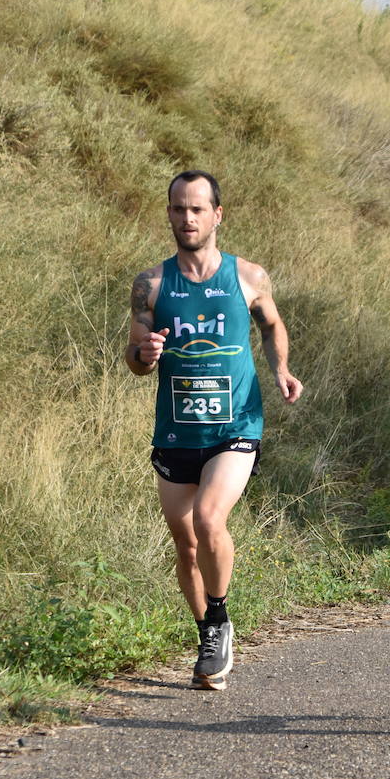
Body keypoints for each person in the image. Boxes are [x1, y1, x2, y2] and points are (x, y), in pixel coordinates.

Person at [126, 170, 302, 690]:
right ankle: (209, 636)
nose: (187, 218)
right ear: (170, 214)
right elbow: (133, 359)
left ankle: (220, 617)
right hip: (177, 430)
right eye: (179, 209)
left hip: (237, 423)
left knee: (208, 518)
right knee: (185, 545)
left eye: (197, 209)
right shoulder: (151, 285)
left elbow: (272, 325)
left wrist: (280, 370)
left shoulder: (248, 276)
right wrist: (146, 354)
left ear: (217, 215)